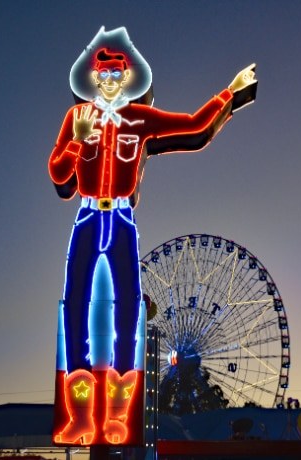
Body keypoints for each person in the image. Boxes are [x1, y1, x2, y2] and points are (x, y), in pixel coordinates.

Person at [48, 26, 257, 446]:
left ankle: (118, 416)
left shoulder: (139, 119)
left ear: (127, 78)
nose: (107, 82)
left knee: (128, 310)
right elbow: (58, 175)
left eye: (115, 75)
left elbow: (196, 127)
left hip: (122, 219)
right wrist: (75, 143)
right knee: (74, 310)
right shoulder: (77, 117)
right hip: (87, 219)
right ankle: (79, 413)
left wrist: (230, 94)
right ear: (92, 78)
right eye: (101, 75)